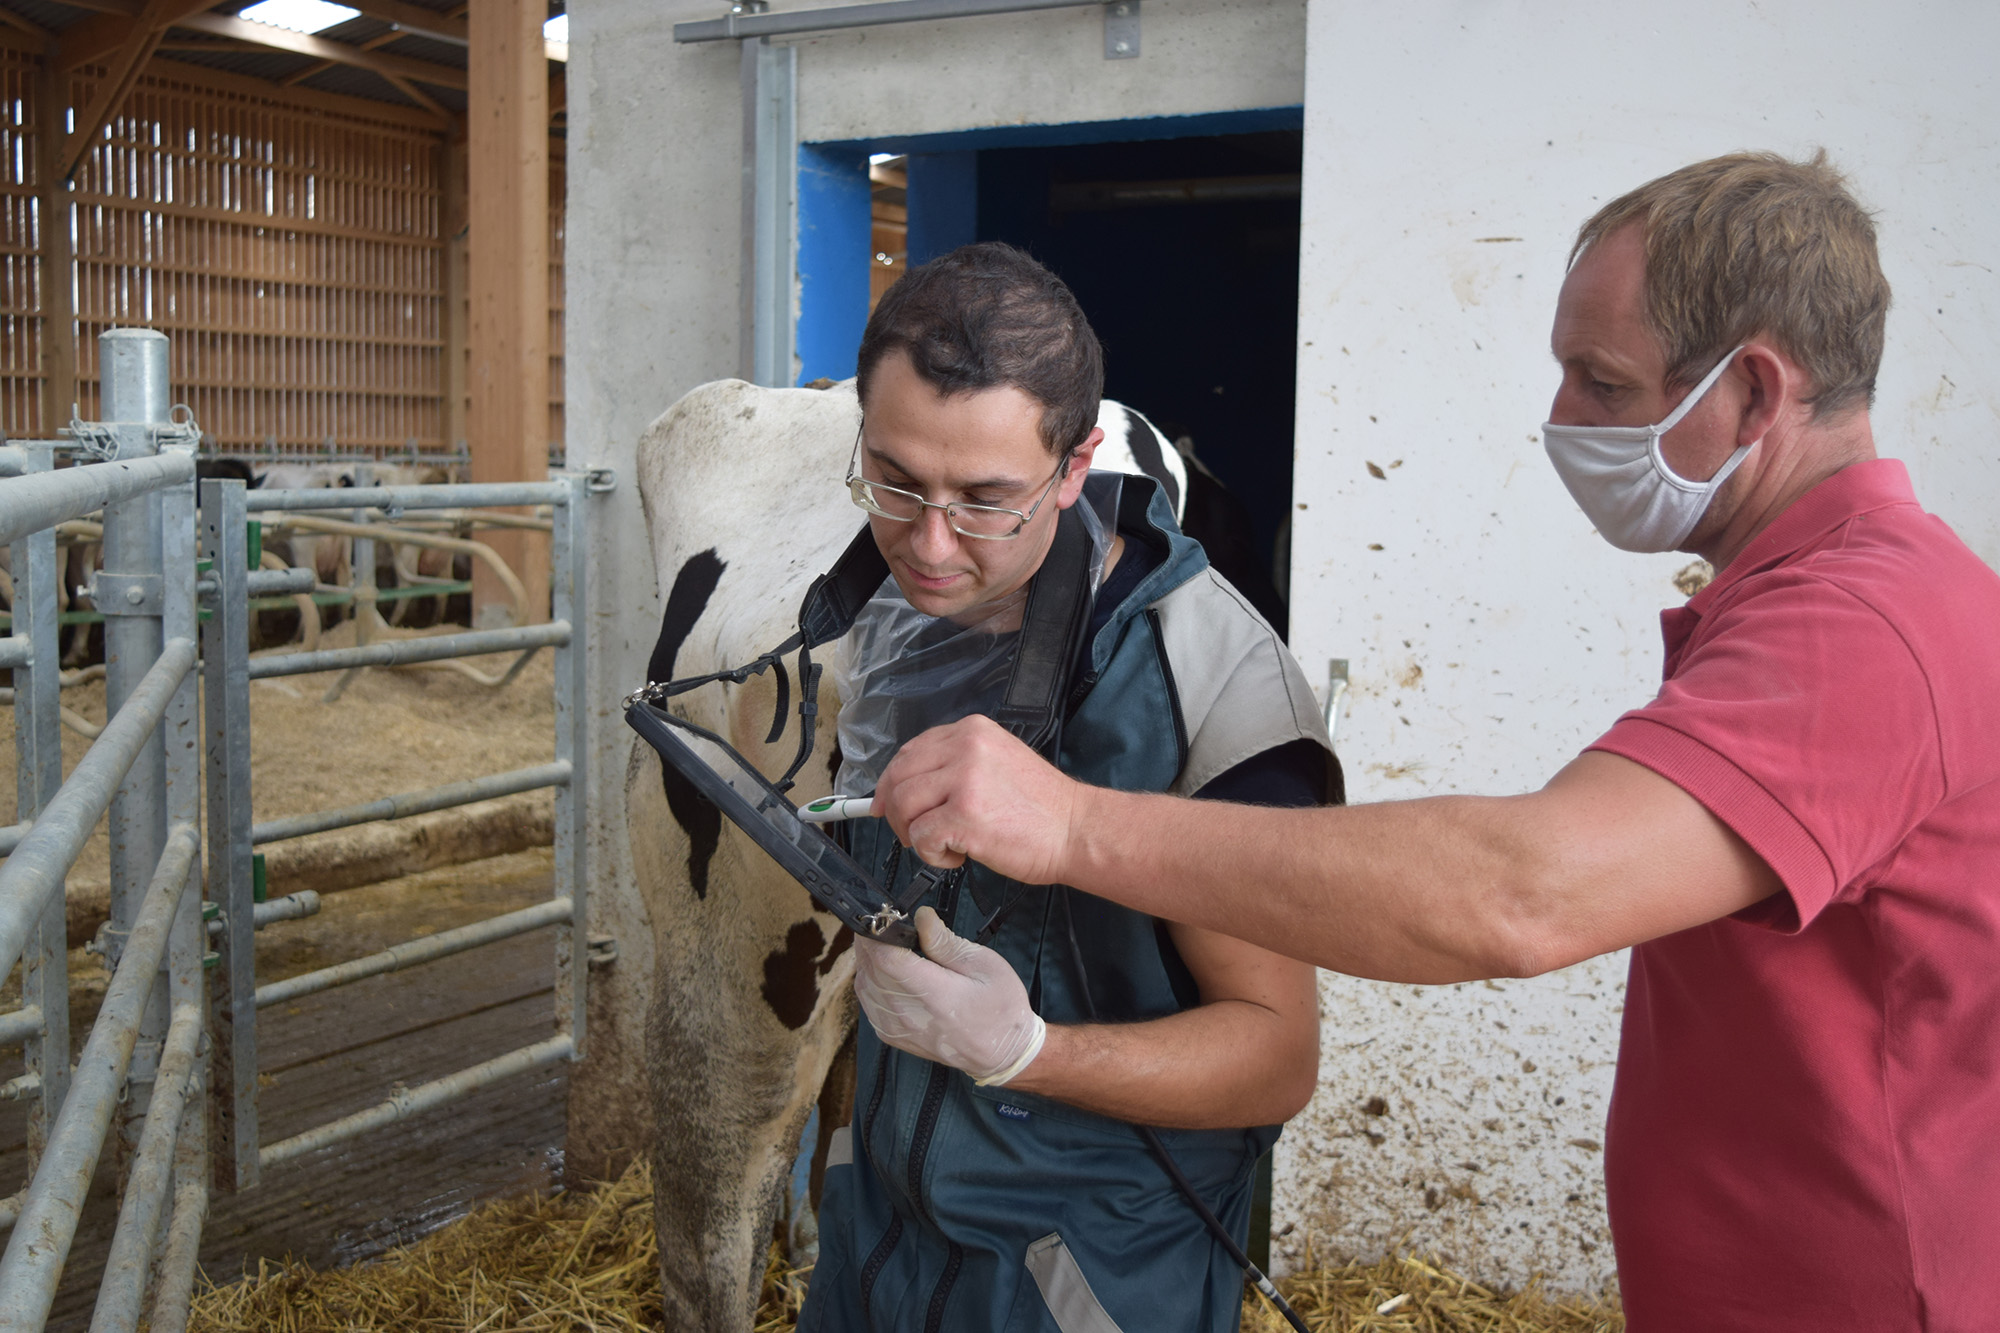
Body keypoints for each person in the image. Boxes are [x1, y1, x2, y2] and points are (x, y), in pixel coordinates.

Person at [865, 154, 2000, 1332]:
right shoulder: (1792, 604)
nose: (1559, 420)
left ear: (1755, 393)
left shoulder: (1866, 627)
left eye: (1598, 381)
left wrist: (1070, 827)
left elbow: (1517, 895)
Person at [797, 243, 1340, 1333]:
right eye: (893, 478)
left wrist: (1030, 1052)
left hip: (1078, 1274)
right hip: (882, 1242)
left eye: (987, 499)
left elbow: (1274, 1055)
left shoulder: (1209, 693)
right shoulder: (904, 608)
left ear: (1075, 464)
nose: (930, 542)